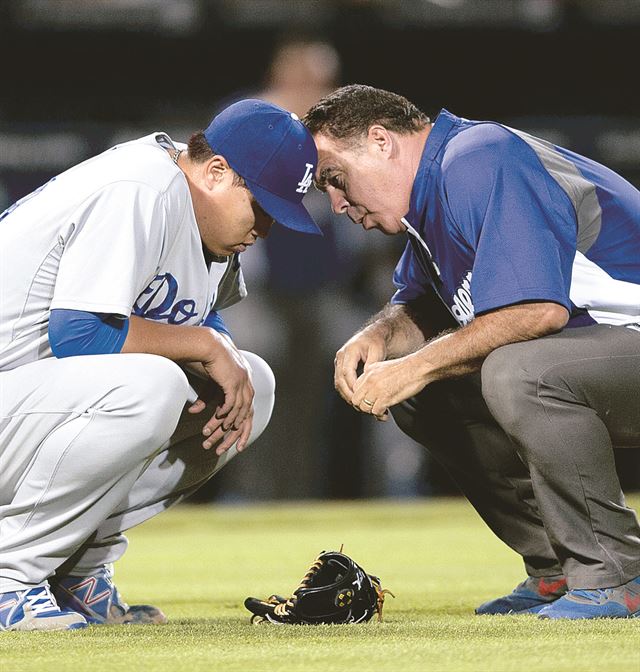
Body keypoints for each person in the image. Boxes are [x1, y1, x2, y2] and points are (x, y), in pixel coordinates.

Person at [302, 84, 640, 619]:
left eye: (335, 179)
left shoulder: (476, 157)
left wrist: (411, 366)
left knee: (518, 370)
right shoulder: (432, 195)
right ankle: (558, 567)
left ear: (381, 140)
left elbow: (536, 312)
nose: (337, 204)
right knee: (426, 388)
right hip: (606, 351)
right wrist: (381, 337)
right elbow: (424, 307)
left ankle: (617, 575)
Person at [0, 99, 320, 631]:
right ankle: (9, 574)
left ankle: (78, 568)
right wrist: (204, 346)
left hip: (31, 411)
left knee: (249, 386)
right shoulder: (141, 188)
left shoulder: (207, 223)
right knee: (152, 385)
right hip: (21, 398)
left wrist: (217, 349)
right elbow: (79, 334)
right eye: (262, 206)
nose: (266, 227)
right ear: (217, 171)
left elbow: (195, 321)